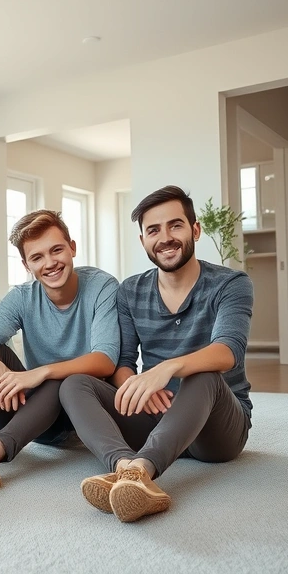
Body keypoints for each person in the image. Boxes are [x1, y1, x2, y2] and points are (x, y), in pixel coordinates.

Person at [59, 185, 254, 522]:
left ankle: (141, 471)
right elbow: (121, 365)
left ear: (195, 230)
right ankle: (122, 467)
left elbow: (228, 351)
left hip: (217, 429)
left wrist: (165, 369)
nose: (165, 237)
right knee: (74, 384)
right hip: (157, 417)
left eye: (175, 225)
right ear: (143, 241)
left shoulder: (231, 284)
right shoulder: (130, 290)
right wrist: (138, 386)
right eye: (153, 230)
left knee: (203, 372)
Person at [0, 210, 120, 496]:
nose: (50, 263)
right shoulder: (22, 296)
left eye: (57, 250)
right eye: (37, 257)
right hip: (33, 417)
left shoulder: (102, 286)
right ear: (26, 264)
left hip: (77, 413)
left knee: (63, 374)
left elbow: (105, 360)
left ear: (72, 247)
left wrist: (41, 372)